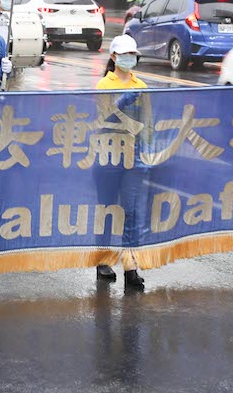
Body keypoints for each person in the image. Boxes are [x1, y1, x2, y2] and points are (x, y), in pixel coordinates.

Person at [94, 34, 147, 291]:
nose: (129, 58)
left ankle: (131, 266)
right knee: (107, 209)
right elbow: (103, 118)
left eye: (133, 54)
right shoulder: (105, 84)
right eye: (125, 54)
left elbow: (148, 122)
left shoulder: (142, 84)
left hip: (133, 157)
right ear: (114, 56)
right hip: (108, 155)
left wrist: (147, 150)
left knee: (131, 210)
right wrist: (122, 102)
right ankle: (103, 261)